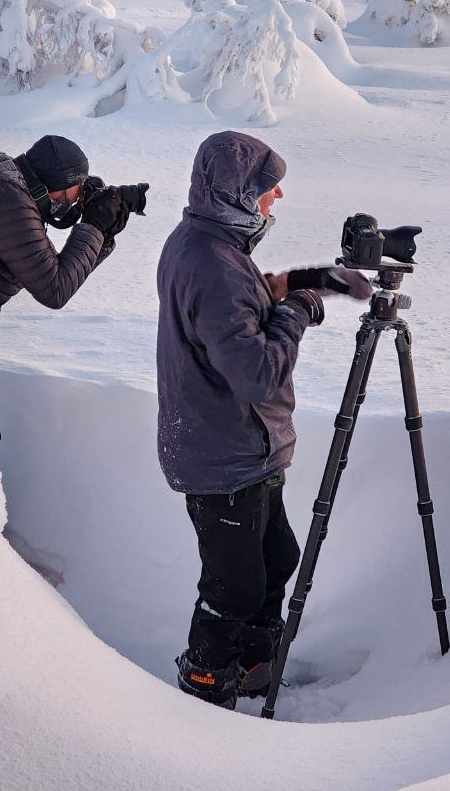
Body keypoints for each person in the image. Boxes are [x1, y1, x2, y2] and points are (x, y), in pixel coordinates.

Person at [156, 130, 370, 709]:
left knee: (278, 558)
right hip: (222, 453)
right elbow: (256, 373)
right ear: (236, 194)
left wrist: (309, 281)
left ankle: (252, 663)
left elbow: (242, 308)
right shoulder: (214, 264)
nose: (276, 197)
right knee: (235, 586)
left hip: (235, 444)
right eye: (266, 188)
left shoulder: (204, 242)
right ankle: (203, 681)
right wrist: (298, 312)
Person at [0, 135, 145, 453]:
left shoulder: (9, 199)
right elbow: (54, 289)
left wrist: (103, 230)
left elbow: (59, 274)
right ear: (56, 185)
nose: (75, 201)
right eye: (77, 190)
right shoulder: (8, 207)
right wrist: (93, 225)